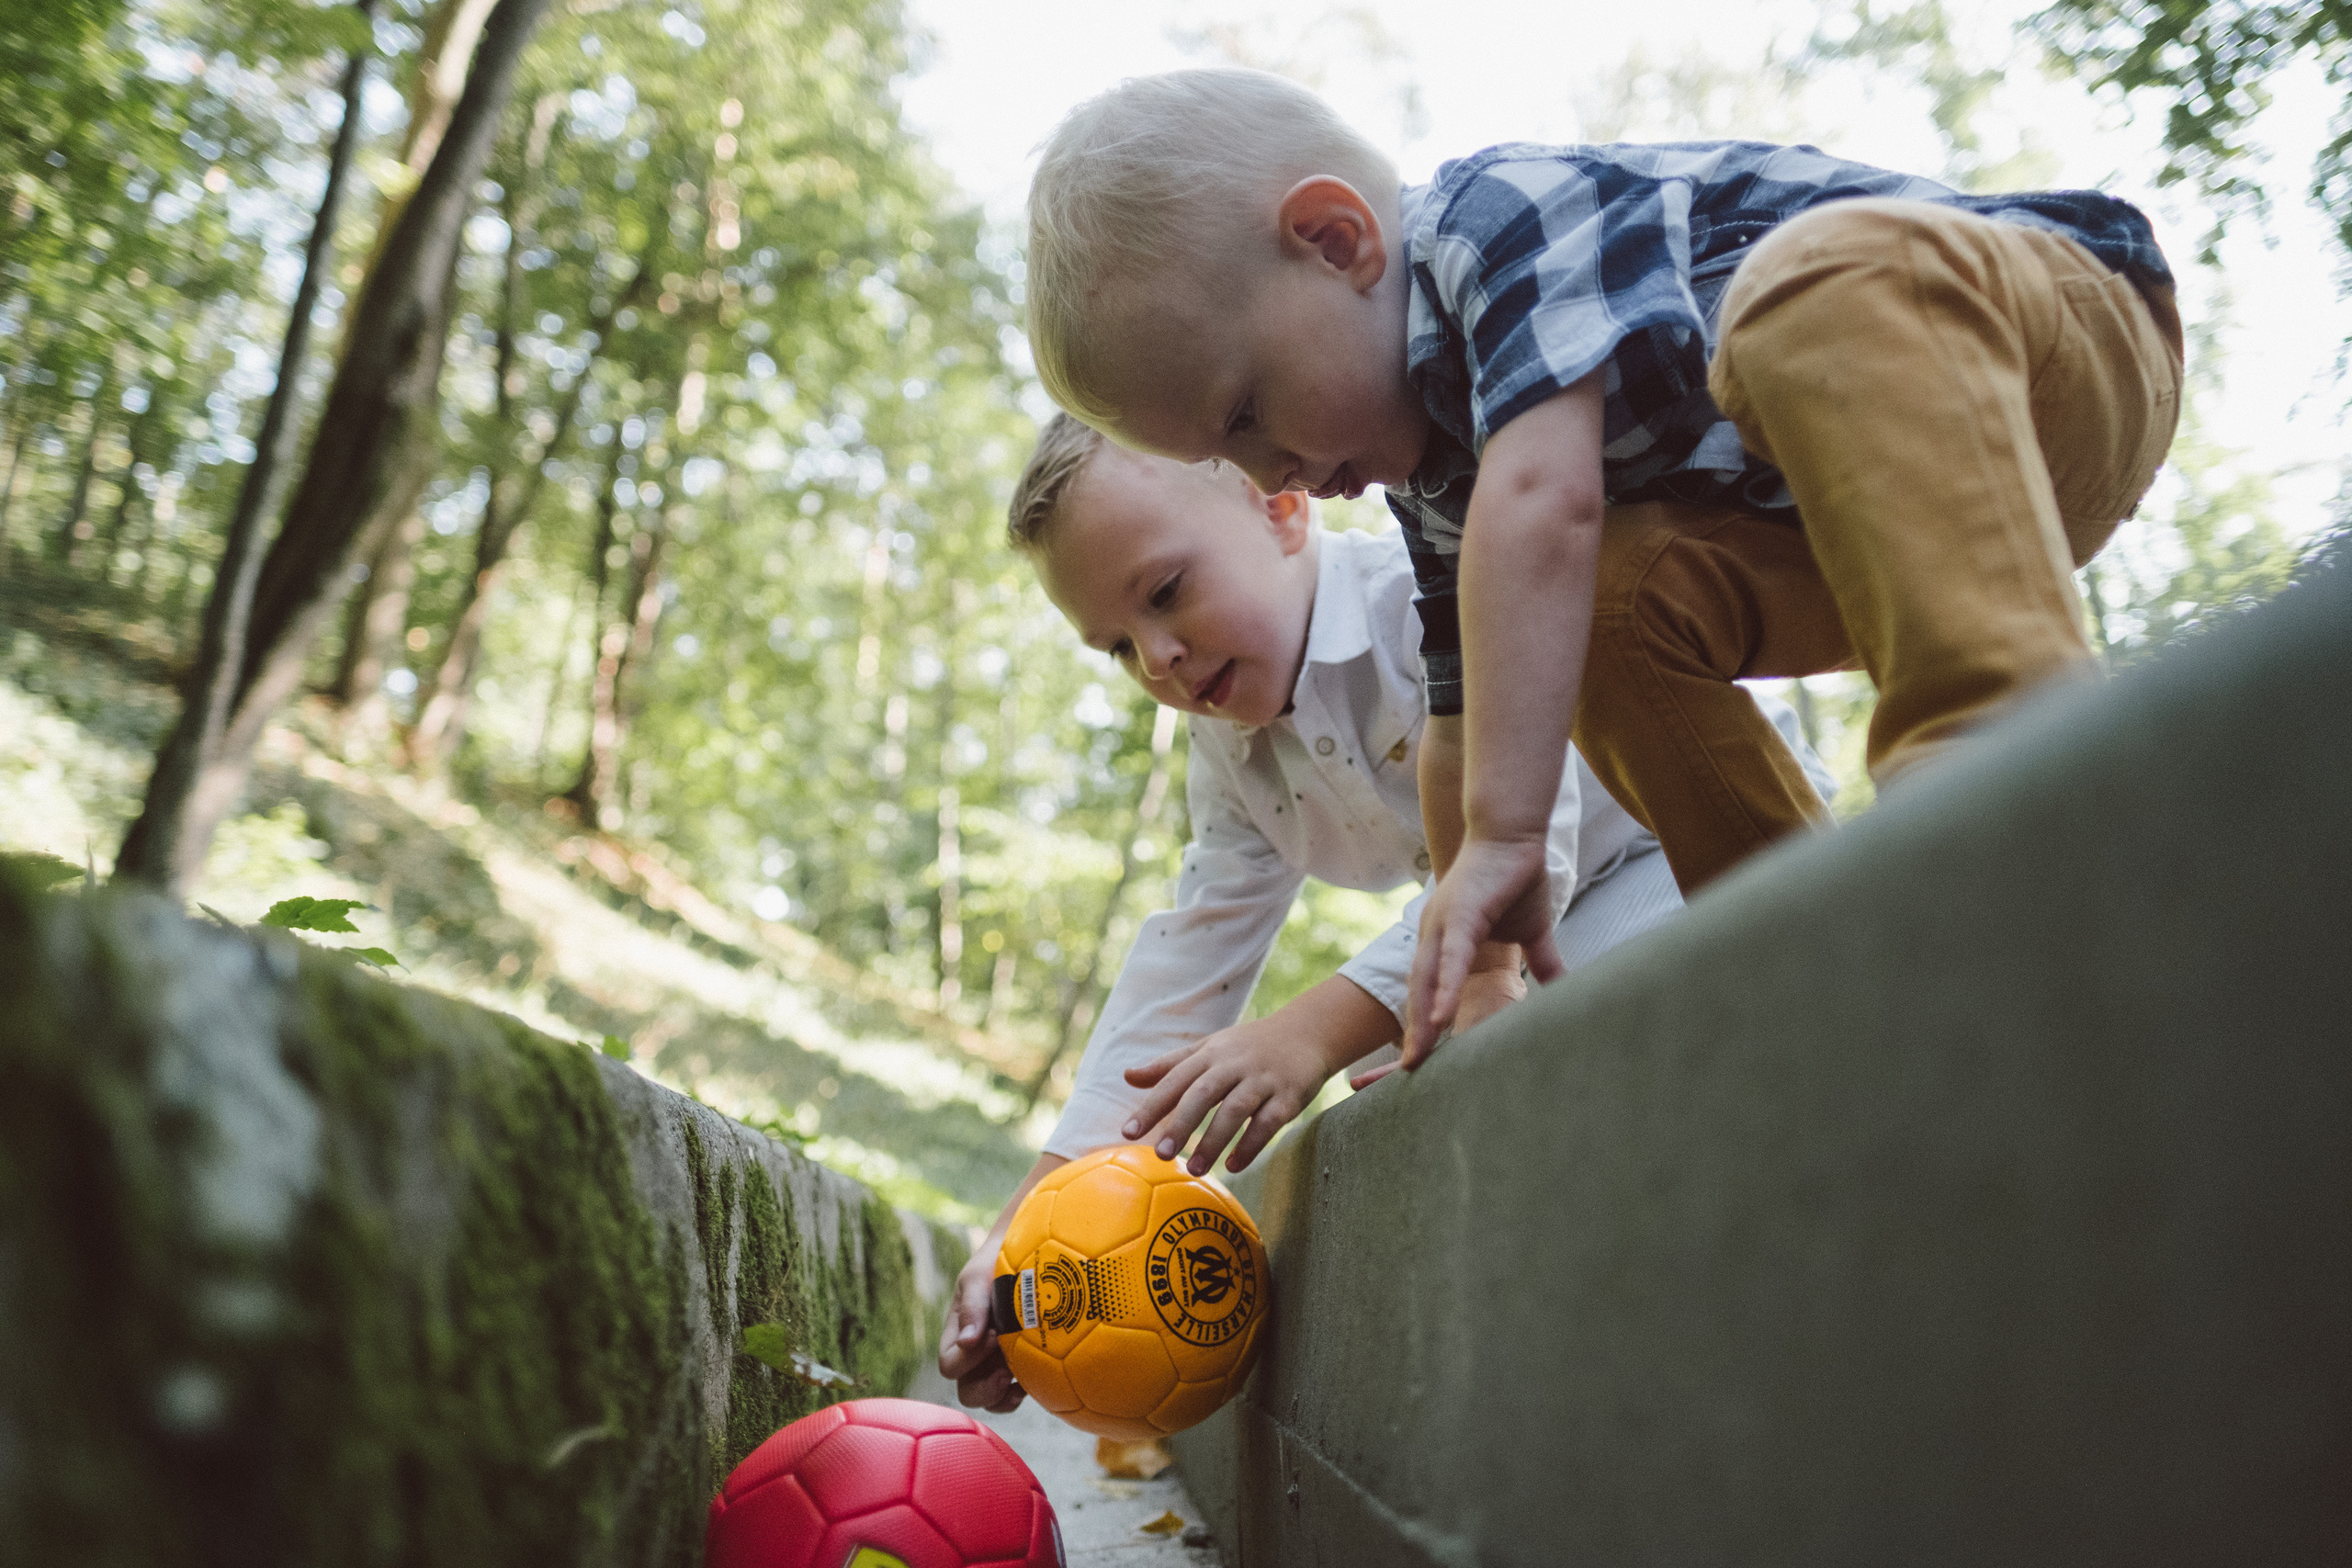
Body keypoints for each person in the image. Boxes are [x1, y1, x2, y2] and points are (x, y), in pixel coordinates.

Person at [1018, 67, 2184, 1070]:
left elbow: (1547, 501)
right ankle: (1793, 932)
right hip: (1853, 528)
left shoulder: (1493, 224)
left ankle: (1990, 763)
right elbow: (1461, 720)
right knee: (1597, 616)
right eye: (1223, 454)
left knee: (1807, 290)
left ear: (1337, 242)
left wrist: (1515, 836)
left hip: (2043, 341)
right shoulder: (1437, 482)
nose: (1269, 469)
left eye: (1248, 411)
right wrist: (1471, 974)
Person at [936, 412, 1831, 1414]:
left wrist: (1315, 1029)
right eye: (1116, 647)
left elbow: (1536, 813)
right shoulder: (1232, 762)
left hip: (1693, 845)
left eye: (1166, 593)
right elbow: (1183, 965)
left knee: (1579, 1061)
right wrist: (1024, 1231)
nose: (1158, 660)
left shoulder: (1425, 596)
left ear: (1280, 510)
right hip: (1541, 933)